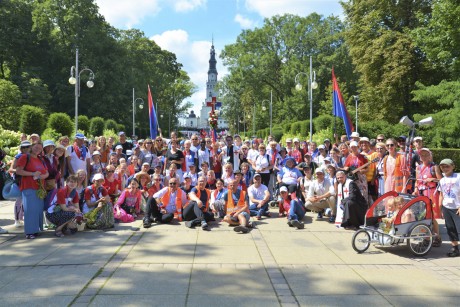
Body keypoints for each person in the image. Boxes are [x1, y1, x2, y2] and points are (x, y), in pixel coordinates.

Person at [15, 141, 49, 239]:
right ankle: (30, 232)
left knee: (38, 210)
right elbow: (18, 171)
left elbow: (46, 173)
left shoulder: (40, 159)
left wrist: (42, 176)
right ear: (31, 147)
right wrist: (33, 174)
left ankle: (36, 230)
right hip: (28, 187)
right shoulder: (25, 157)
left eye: (39, 148)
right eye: (36, 147)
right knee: (30, 210)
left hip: (39, 189)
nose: (37, 149)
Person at [438, 159, 460, 257]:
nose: (445, 168)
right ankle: (455, 248)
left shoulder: (458, 177)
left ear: (453, 166)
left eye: (447, 166)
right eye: (443, 167)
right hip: (446, 207)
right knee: (450, 228)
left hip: (457, 207)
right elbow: (441, 195)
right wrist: (440, 207)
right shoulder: (442, 180)